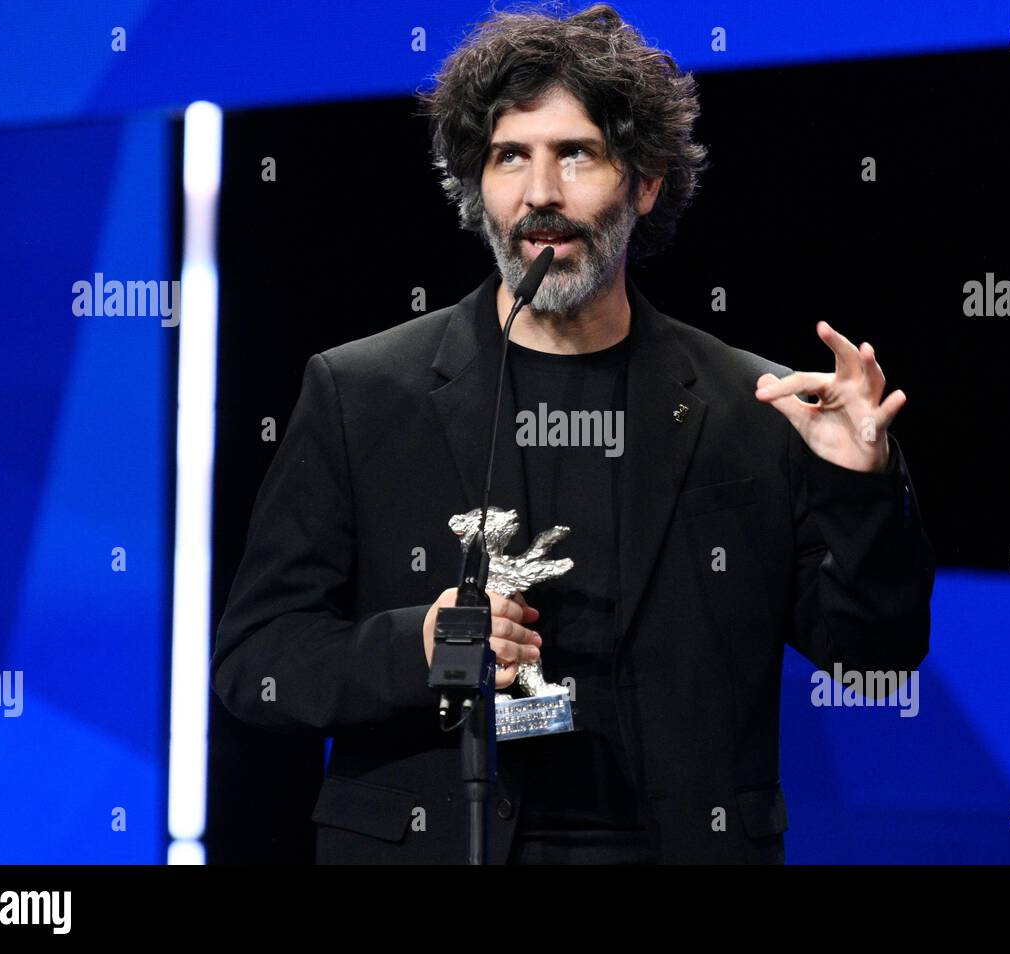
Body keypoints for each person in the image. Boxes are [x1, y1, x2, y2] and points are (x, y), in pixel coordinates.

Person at [211, 2, 934, 864]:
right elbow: (258, 663)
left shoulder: (756, 405)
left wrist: (860, 485)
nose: (540, 194)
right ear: (476, 184)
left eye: (576, 154)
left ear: (646, 180)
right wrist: (418, 647)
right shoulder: (363, 393)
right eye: (510, 156)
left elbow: (875, 661)